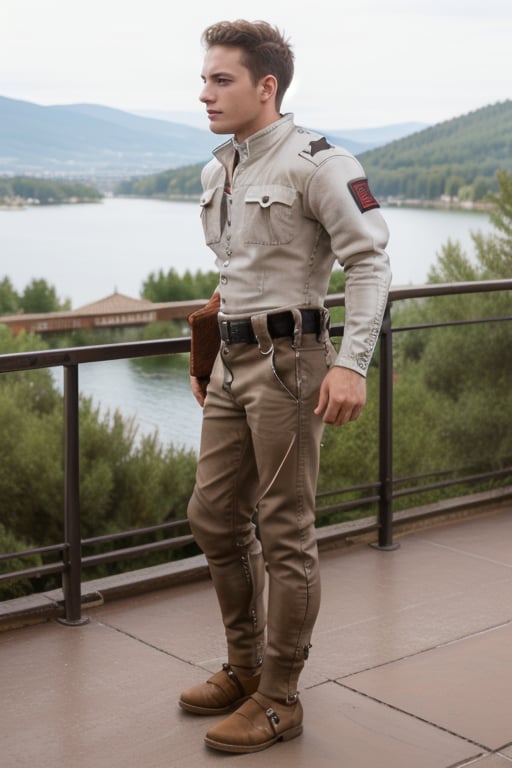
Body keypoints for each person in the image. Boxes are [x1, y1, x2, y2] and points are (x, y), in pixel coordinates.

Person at [179, 19, 391, 754]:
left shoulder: (319, 164)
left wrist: (351, 362)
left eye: (221, 79)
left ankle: (279, 695)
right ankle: (242, 666)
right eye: (205, 78)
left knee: (285, 530)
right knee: (211, 515)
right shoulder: (222, 170)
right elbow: (239, 270)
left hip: (291, 363)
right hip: (234, 364)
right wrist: (211, 340)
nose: (204, 92)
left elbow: (369, 263)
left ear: (266, 87)